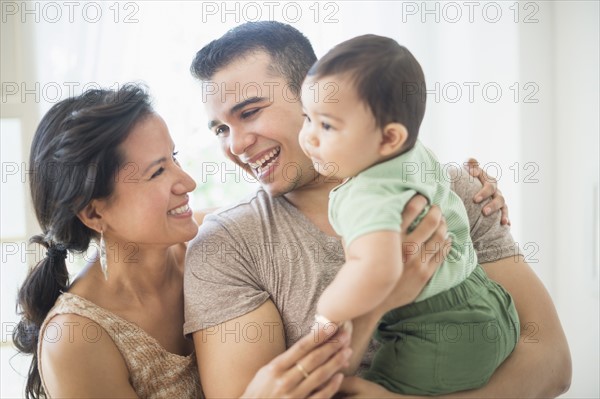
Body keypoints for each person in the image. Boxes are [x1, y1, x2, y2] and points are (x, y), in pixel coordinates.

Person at [185, 21, 571, 397]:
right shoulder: (227, 245)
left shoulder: (453, 187)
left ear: (313, 94)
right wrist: (380, 304)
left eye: (249, 112)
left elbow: (552, 364)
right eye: (220, 129)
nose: (234, 145)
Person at [13, 84, 353, 399]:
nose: (187, 182)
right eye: (158, 172)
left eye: (174, 158)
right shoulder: (75, 341)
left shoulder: (222, 240)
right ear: (94, 214)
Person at [299, 34, 520, 395]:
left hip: (436, 333)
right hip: (490, 301)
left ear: (388, 138)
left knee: (355, 390)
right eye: (306, 118)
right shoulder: (413, 153)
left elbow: (379, 268)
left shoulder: (366, 193)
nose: (308, 137)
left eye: (326, 125)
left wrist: (329, 309)